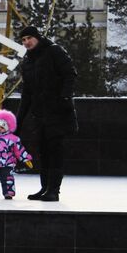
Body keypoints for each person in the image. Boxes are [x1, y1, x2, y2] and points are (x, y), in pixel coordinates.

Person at [15, 24, 78, 202]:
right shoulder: (27, 61)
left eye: (29, 38)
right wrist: (18, 121)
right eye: (23, 40)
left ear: (37, 37)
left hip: (57, 112)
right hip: (39, 114)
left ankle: (54, 190)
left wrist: (64, 98)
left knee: (55, 151)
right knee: (43, 152)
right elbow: (27, 92)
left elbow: (70, 74)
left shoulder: (54, 51)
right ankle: (44, 188)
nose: (27, 42)